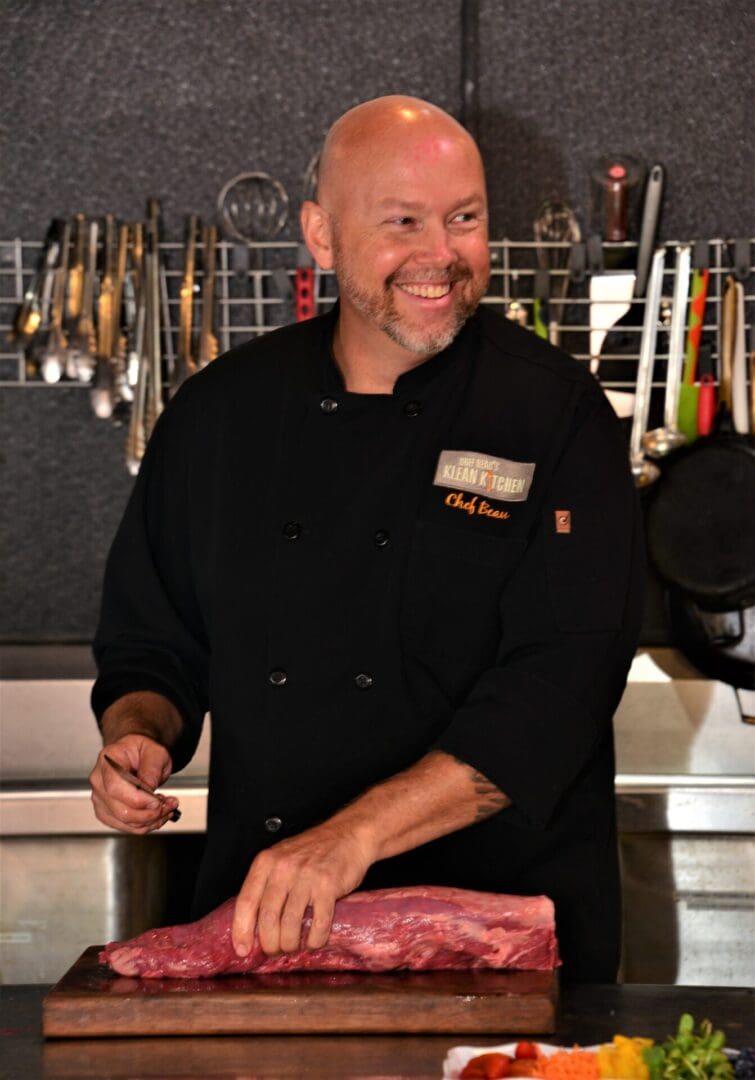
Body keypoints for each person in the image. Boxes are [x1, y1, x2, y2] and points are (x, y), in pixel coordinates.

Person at [88, 95, 643, 981]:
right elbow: (151, 644)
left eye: (463, 219)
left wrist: (352, 839)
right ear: (320, 234)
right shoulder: (220, 416)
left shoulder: (554, 417)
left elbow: (557, 692)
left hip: (497, 945)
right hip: (265, 934)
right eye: (402, 222)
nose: (440, 255)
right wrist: (138, 735)